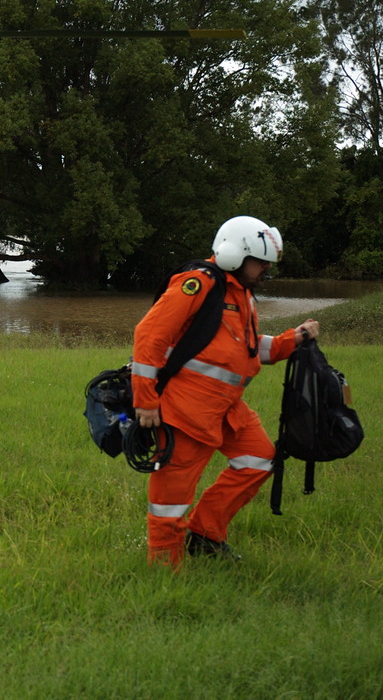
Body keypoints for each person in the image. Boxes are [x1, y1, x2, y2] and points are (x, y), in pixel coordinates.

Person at [131, 216, 320, 567]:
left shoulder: (241, 294)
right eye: (260, 262)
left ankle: (204, 535)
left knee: (260, 460)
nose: (266, 269)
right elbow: (149, 336)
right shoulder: (198, 283)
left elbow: (245, 350)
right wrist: (145, 402)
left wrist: (293, 339)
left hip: (226, 410)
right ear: (236, 253)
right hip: (184, 414)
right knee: (169, 504)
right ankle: (163, 574)